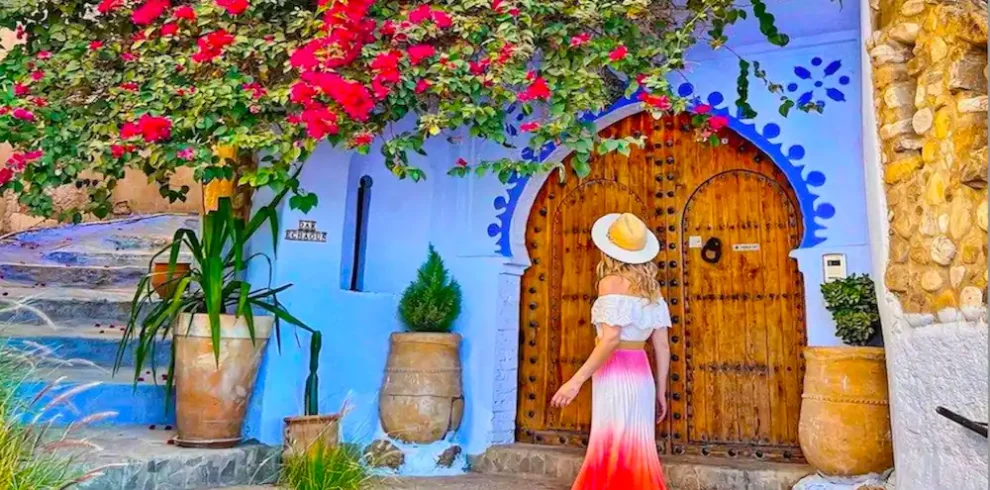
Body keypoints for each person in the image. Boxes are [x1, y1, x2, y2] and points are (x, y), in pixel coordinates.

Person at [550, 212, 670, 490]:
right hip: (642, 377)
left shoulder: (611, 282)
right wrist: (661, 390)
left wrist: (574, 382)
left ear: (608, 249)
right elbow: (661, 345)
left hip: (615, 373)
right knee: (637, 446)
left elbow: (611, 339)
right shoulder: (653, 290)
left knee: (610, 442)